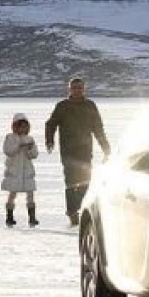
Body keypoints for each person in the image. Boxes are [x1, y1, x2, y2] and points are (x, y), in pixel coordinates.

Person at [45, 77, 111, 226]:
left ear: (84, 89)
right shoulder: (62, 106)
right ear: (69, 89)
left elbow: (98, 129)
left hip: (85, 151)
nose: (77, 90)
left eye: (80, 88)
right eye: (74, 88)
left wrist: (106, 148)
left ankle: (82, 210)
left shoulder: (90, 106)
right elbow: (51, 124)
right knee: (70, 182)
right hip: (68, 152)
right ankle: (72, 213)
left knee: (85, 182)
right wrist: (49, 140)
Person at [1, 113, 40, 228]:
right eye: (20, 126)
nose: (23, 129)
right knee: (12, 193)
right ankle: (9, 216)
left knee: (30, 194)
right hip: (14, 171)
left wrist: (29, 149)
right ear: (15, 127)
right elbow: (7, 151)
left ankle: (32, 217)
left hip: (27, 171)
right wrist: (19, 147)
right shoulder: (10, 137)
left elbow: (34, 154)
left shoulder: (30, 139)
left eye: (25, 127)